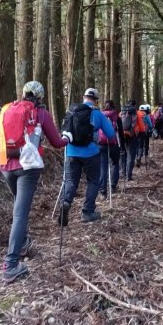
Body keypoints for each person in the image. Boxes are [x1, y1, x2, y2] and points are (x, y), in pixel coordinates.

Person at [0, 81, 71, 284]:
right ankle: (11, 264)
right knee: (20, 213)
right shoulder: (40, 114)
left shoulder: (6, 110)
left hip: (6, 168)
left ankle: (22, 243)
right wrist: (68, 137)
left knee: (18, 208)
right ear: (40, 97)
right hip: (28, 169)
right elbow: (57, 142)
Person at [58, 88, 115, 226]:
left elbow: (63, 130)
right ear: (95, 100)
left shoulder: (72, 111)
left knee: (71, 181)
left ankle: (66, 202)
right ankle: (87, 212)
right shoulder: (97, 114)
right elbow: (111, 134)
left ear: (84, 98)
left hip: (71, 152)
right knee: (93, 181)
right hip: (91, 153)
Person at [98, 100, 124, 198]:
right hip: (114, 143)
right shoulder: (116, 116)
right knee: (115, 163)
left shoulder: (100, 115)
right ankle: (113, 186)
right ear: (113, 107)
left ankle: (103, 191)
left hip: (101, 144)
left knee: (103, 167)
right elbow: (120, 132)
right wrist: (123, 146)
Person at [120, 99, 139, 181]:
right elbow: (139, 125)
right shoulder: (135, 113)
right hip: (131, 135)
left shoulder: (121, 112)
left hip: (122, 135)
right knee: (131, 155)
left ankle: (123, 172)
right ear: (134, 105)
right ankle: (129, 175)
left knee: (123, 154)